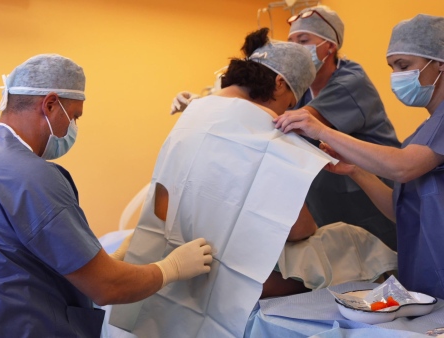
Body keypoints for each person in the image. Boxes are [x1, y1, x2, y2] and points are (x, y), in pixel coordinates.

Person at [0, 54, 213, 337]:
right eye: (75, 116)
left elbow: (10, 255)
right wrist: (172, 267)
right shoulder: (31, 177)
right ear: (51, 104)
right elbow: (108, 287)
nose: (73, 128)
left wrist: (108, 258)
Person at [171, 6, 401, 251]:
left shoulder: (350, 82)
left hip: (370, 191)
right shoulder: (299, 88)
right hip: (327, 192)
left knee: (382, 257)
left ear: (330, 46)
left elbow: (290, 121)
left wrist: (213, 105)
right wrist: (212, 102)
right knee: (344, 252)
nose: (297, 48)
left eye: (303, 40)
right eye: (291, 41)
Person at [275, 13, 444, 299]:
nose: (396, 76)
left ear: (439, 62)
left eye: (404, 66)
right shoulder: (424, 131)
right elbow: (400, 209)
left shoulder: (434, 130)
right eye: (392, 67)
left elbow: (403, 168)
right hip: (426, 271)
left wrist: (322, 130)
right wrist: (356, 170)